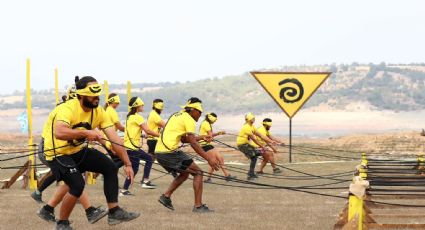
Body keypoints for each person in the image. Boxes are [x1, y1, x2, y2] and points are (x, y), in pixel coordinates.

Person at [43, 76, 139, 229]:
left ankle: (114, 212)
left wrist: (127, 163)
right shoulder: (67, 108)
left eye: (97, 95)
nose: (96, 98)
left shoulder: (99, 112)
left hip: (77, 150)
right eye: (92, 95)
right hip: (57, 153)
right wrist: (86, 133)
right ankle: (62, 224)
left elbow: (115, 139)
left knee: (110, 167)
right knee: (77, 185)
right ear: (81, 95)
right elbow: (59, 132)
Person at [155, 97, 220, 213]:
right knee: (199, 173)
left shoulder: (177, 115)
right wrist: (209, 158)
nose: (200, 115)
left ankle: (166, 196)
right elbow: (193, 143)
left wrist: (202, 137)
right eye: (199, 112)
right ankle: (198, 206)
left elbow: (185, 139)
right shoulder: (189, 119)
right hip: (169, 152)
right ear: (193, 110)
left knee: (185, 174)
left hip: (160, 152)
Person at [120, 96, 160, 195]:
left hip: (130, 147)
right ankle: (124, 190)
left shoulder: (130, 117)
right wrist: (161, 135)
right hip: (132, 148)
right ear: (137, 106)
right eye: (141, 105)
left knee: (149, 159)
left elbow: (133, 130)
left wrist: (142, 135)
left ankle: (145, 181)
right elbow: (148, 130)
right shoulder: (138, 117)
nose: (143, 106)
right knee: (134, 169)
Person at [199, 112, 236, 183]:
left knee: (219, 159)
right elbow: (210, 135)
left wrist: (219, 133)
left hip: (207, 145)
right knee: (215, 161)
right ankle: (227, 176)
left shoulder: (207, 123)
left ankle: (224, 176)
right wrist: (212, 137)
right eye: (214, 120)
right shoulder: (206, 123)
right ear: (211, 119)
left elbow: (210, 136)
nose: (215, 121)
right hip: (204, 145)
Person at [236, 113, 274, 180]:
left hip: (247, 144)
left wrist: (271, 141)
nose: (254, 119)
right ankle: (250, 175)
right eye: (252, 118)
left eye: (254, 118)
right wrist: (262, 147)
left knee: (258, 154)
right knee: (254, 157)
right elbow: (254, 139)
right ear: (248, 119)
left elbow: (261, 136)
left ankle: (251, 173)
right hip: (242, 145)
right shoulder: (246, 127)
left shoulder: (252, 126)